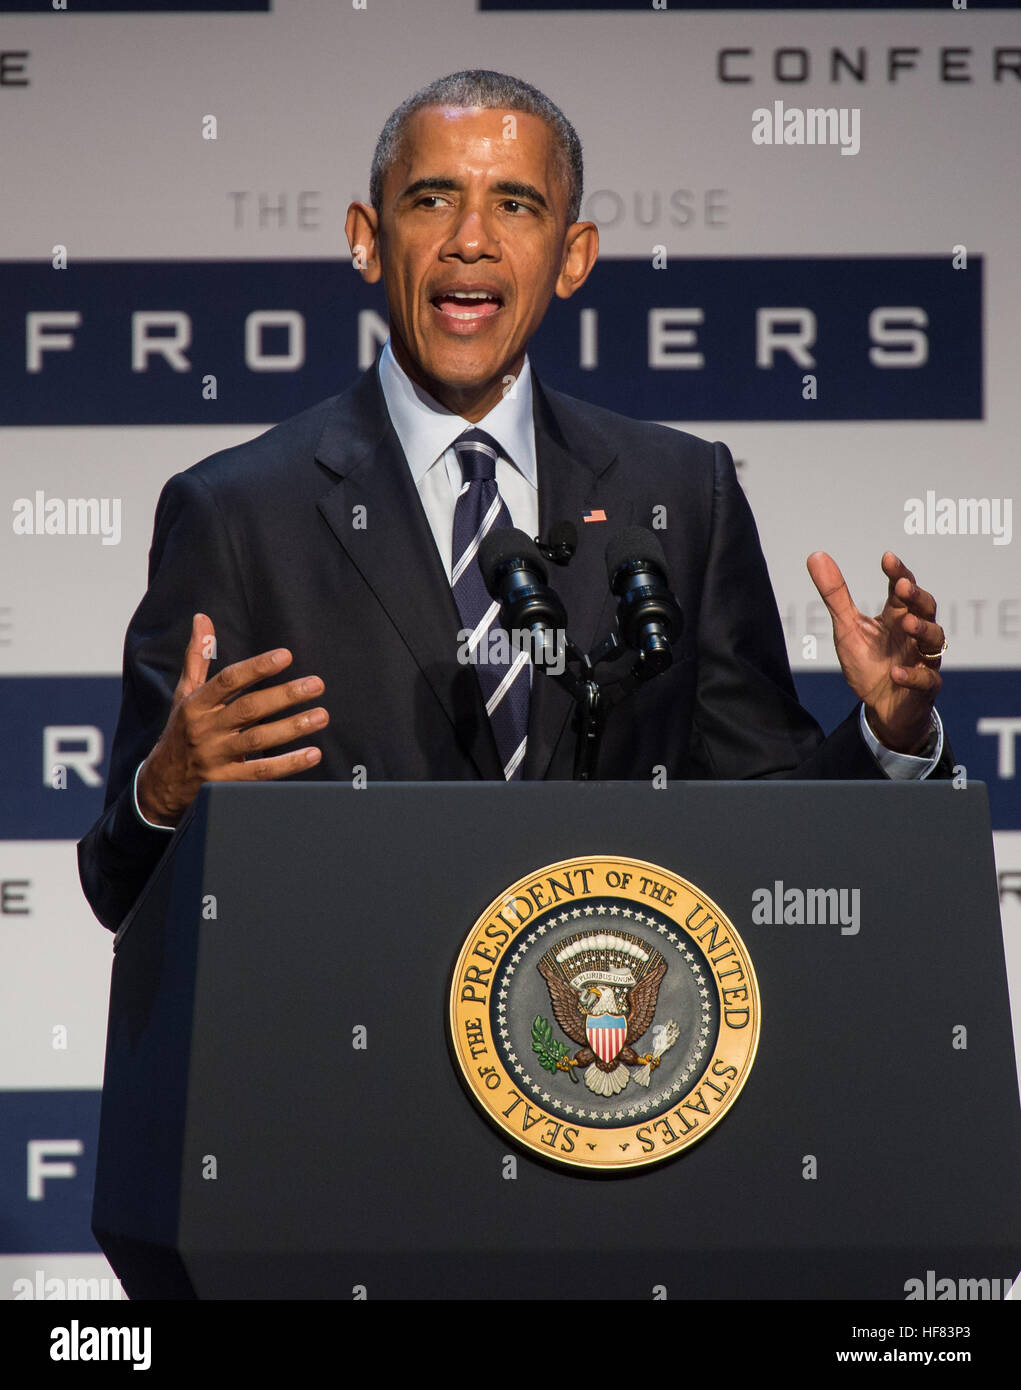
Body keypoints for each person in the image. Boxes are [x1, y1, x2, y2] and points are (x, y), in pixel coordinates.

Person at [77, 70, 950, 933]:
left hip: (606, 1053)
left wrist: (890, 735)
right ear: (366, 239)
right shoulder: (235, 514)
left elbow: (775, 840)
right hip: (339, 1053)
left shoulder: (681, 493)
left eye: (516, 206)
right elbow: (120, 888)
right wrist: (164, 792)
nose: (471, 241)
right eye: (431, 200)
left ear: (573, 257)